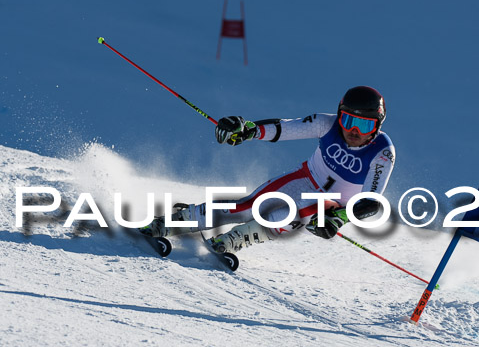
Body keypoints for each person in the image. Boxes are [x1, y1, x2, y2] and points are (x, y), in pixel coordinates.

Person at [140, 85, 396, 254]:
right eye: (348, 120)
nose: (353, 131)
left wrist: (342, 217)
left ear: (377, 126)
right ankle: (172, 222)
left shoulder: (382, 152)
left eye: (364, 125)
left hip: (331, 206)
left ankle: (233, 240)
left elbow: (371, 201)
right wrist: (248, 130)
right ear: (339, 115)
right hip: (305, 179)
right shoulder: (325, 124)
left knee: (286, 217)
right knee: (247, 207)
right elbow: (285, 128)